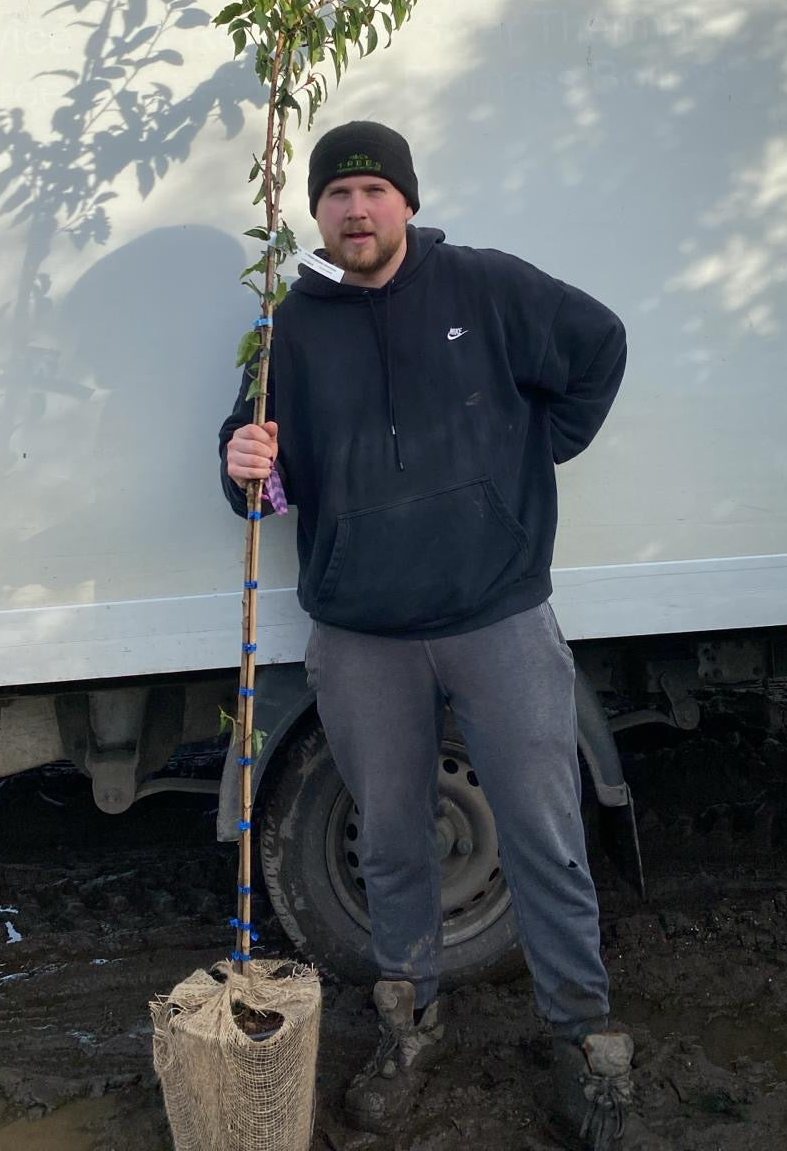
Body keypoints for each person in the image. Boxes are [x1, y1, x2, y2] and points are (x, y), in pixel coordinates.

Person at [219, 121, 640, 1148]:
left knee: (543, 833)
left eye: (373, 188)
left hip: (498, 614)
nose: (355, 209)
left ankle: (584, 1037)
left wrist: (527, 458)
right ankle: (409, 1024)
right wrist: (246, 464)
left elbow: (599, 347)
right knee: (395, 839)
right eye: (336, 194)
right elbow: (265, 496)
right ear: (314, 213)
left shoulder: (488, 288)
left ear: (405, 200)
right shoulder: (290, 330)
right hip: (361, 634)